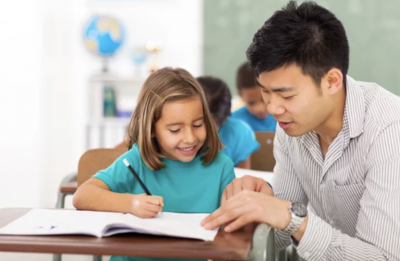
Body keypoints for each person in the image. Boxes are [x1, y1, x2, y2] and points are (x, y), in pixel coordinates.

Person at [201, 1, 400, 261]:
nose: (273, 108)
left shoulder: (389, 130)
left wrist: (290, 217)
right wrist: (262, 201)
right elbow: (282, 233)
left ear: (331, 81)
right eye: (265, 91)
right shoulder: (293, 126)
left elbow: (383, 257)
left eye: (286, 95)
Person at [73, 67, 235, 261]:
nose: (190, 138)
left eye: (197, 125)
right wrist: (131, 203)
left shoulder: (221, 167)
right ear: (151, 129)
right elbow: (82, 196)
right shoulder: (136, 160)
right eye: (175, 130)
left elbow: (231, 235)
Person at [196, 76, 260, 169]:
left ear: (225, 118)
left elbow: (242, 176)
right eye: (196, 125)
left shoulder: (239, 132)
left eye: (211, 128)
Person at [231, 62, 277, 131]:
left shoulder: (287, 116)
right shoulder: (233, 123)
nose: (259, 109)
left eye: (263, 99)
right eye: (251, 103)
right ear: (240, 96)